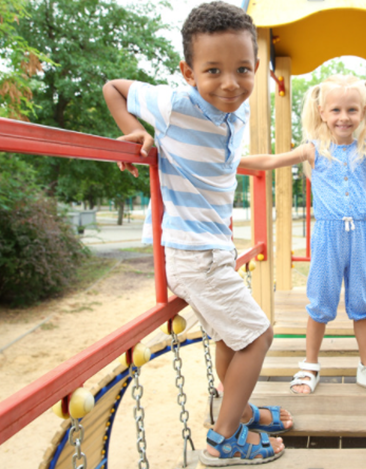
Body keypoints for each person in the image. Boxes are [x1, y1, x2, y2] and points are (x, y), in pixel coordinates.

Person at [102, 2, 301, 465]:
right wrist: (135, 132)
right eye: (213, 70)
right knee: (257, 337)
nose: (230, 83)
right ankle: (223, 438)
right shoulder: (174, 104)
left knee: (234, 338)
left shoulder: (235, 114)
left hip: (213, 250)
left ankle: (240, 408)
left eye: (243, 69)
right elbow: (113, 87)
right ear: (188, 72)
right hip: (194, 253)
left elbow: (237, 164)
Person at [287, 75, 366, 396]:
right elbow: (270, 161)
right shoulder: (313, 150)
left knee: (362, 305)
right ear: (322, 111)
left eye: (352, 110)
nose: (344, 117)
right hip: (327, 234)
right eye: (335, 110)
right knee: (321, 302)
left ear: (363, 111)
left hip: (362, 232)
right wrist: (227, 163)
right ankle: (310, 365)